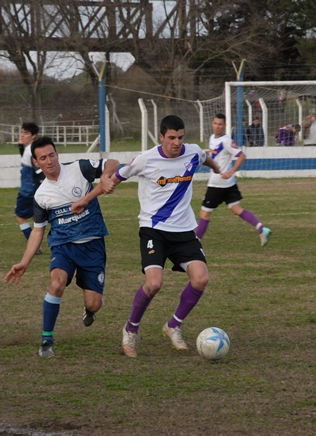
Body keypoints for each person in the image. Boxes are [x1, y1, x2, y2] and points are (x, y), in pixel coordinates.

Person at [110, 115, 220, 358]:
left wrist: (217, 168)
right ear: (161, 137)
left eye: (180, 137)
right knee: (154, 283)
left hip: (184, 231)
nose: (176, 142)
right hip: (154, 229)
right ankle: (131, 329)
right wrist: (105, 186)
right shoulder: (146, 159)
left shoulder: (191, 153)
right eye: (171, 138)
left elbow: (205, 158)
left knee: (201, 278)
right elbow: (119, 176)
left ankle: (174, 325)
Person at [5, 136, 119, 358]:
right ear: (36, 163)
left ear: (57, 154)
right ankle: (47, 338)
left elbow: (113, 163)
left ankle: (90, 308)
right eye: (43, 158)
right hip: (62, 246)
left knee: (94, 304)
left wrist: (105, 177)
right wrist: (24, 262)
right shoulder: (41, 195)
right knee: (56, 283)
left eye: (52, 155)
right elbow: (38, 230)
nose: (49, 161)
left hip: (92, 246)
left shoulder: (79, 168)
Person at [196, 113, 272, 247]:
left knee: (204, 214)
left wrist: (231, 172)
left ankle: (195, 243)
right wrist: (204, 154)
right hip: (228, 185)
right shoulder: (212, 138)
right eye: (215, 123)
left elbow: (241, 156)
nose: (217, 126)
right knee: (237, 209)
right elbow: (215, 153)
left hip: (217, 184)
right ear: (212, 124)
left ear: (224, 126)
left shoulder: (226, 140)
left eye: (220, 124)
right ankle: (261, 228)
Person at [14, 122, 43, 254]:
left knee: (20, 217)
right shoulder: (30, 148)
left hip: (28, 191)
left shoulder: (32, 151)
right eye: (22, 132)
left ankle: (35, 247)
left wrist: (37, 189)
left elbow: (38, 171)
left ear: (34, 136)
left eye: (26, 133)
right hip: (32, 190)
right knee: (36, 217)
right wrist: (20, 146)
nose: (22, 135)